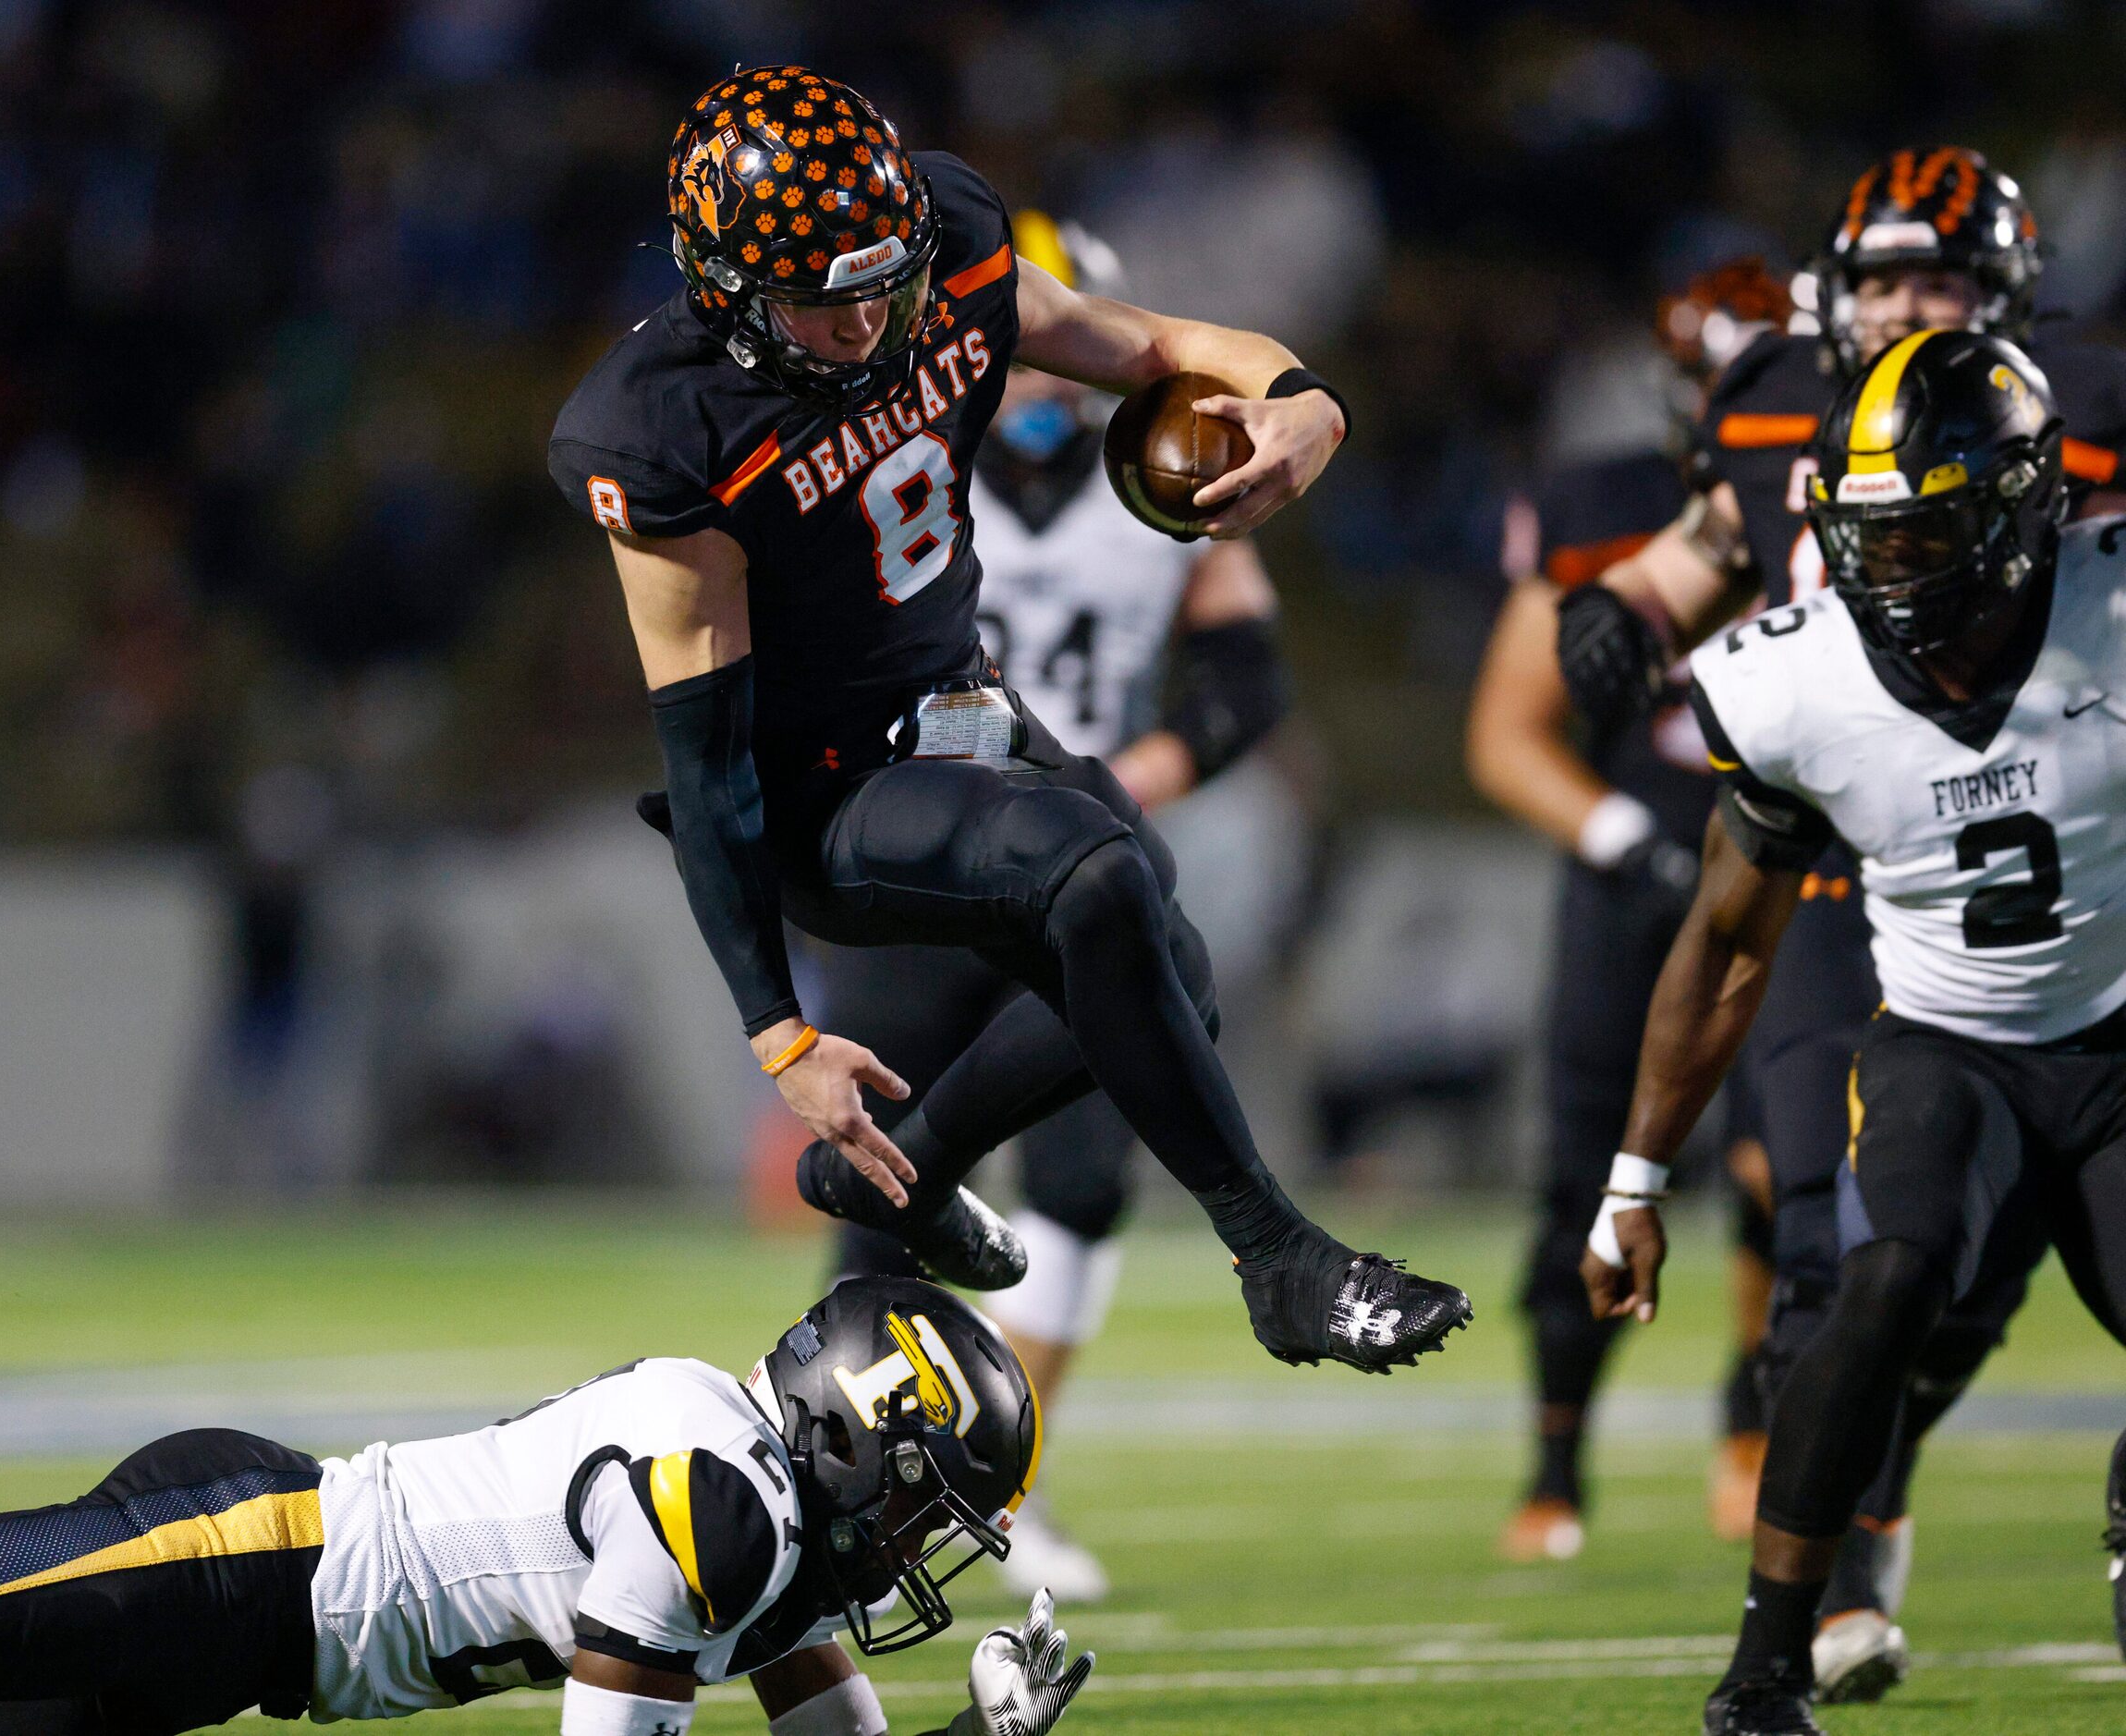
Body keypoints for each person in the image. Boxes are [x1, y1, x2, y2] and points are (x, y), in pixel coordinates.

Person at [547, 66, 1468, 1375]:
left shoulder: (957, 247)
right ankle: (1280, 1256)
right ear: (727, 287)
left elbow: (1153, 347)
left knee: (1173, 965)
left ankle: (899, 1175)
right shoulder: (662, 432)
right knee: (1089, 876)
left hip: (960, 712)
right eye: (825, 300)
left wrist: (1309, 402)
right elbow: (703, 763)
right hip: (823, 787)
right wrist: (778, 1032)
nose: (868, 322)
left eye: (886, 282)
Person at [1558, 147, 2126, 1701]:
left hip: (2109, 991)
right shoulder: (1800, 653)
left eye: (1924, 533)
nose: (1889, 568)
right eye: (1862, 532)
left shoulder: (2100, 571)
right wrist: (1631, 1170)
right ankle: (1781, 1637)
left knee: (1954, 1286)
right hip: (1919, 973)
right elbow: (1724, 935)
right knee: (1861, 1264)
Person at [0, 1275, 1097, 1736]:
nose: (914, 1542)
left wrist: (986, 1734)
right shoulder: (722, 1507)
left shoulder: (770, 1524)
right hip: (242, 1555)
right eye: (921, 1498)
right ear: (851, 1432)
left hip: (250, 1650)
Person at [820, 210, 1294, 1601]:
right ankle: (840, 1479)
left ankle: (997, 1482)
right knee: (882, 1174)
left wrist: (1126, 773)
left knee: (1086, 1180)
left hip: (1077, 860)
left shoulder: (1165, 474)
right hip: (921, 860)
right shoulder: (891, 460)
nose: (1030, 377)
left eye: (1055, 343)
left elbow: (1247, 681)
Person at [1469, 260, 1791, 1565]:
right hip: (1639, 874)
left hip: (1792, 866)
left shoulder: (1850, 497)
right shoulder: (1603, 507)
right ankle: (1555, 1468)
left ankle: (1755, 1426)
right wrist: (1629, 840)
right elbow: (1505, 732)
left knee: (1791, 1172)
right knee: (1582, 1187)